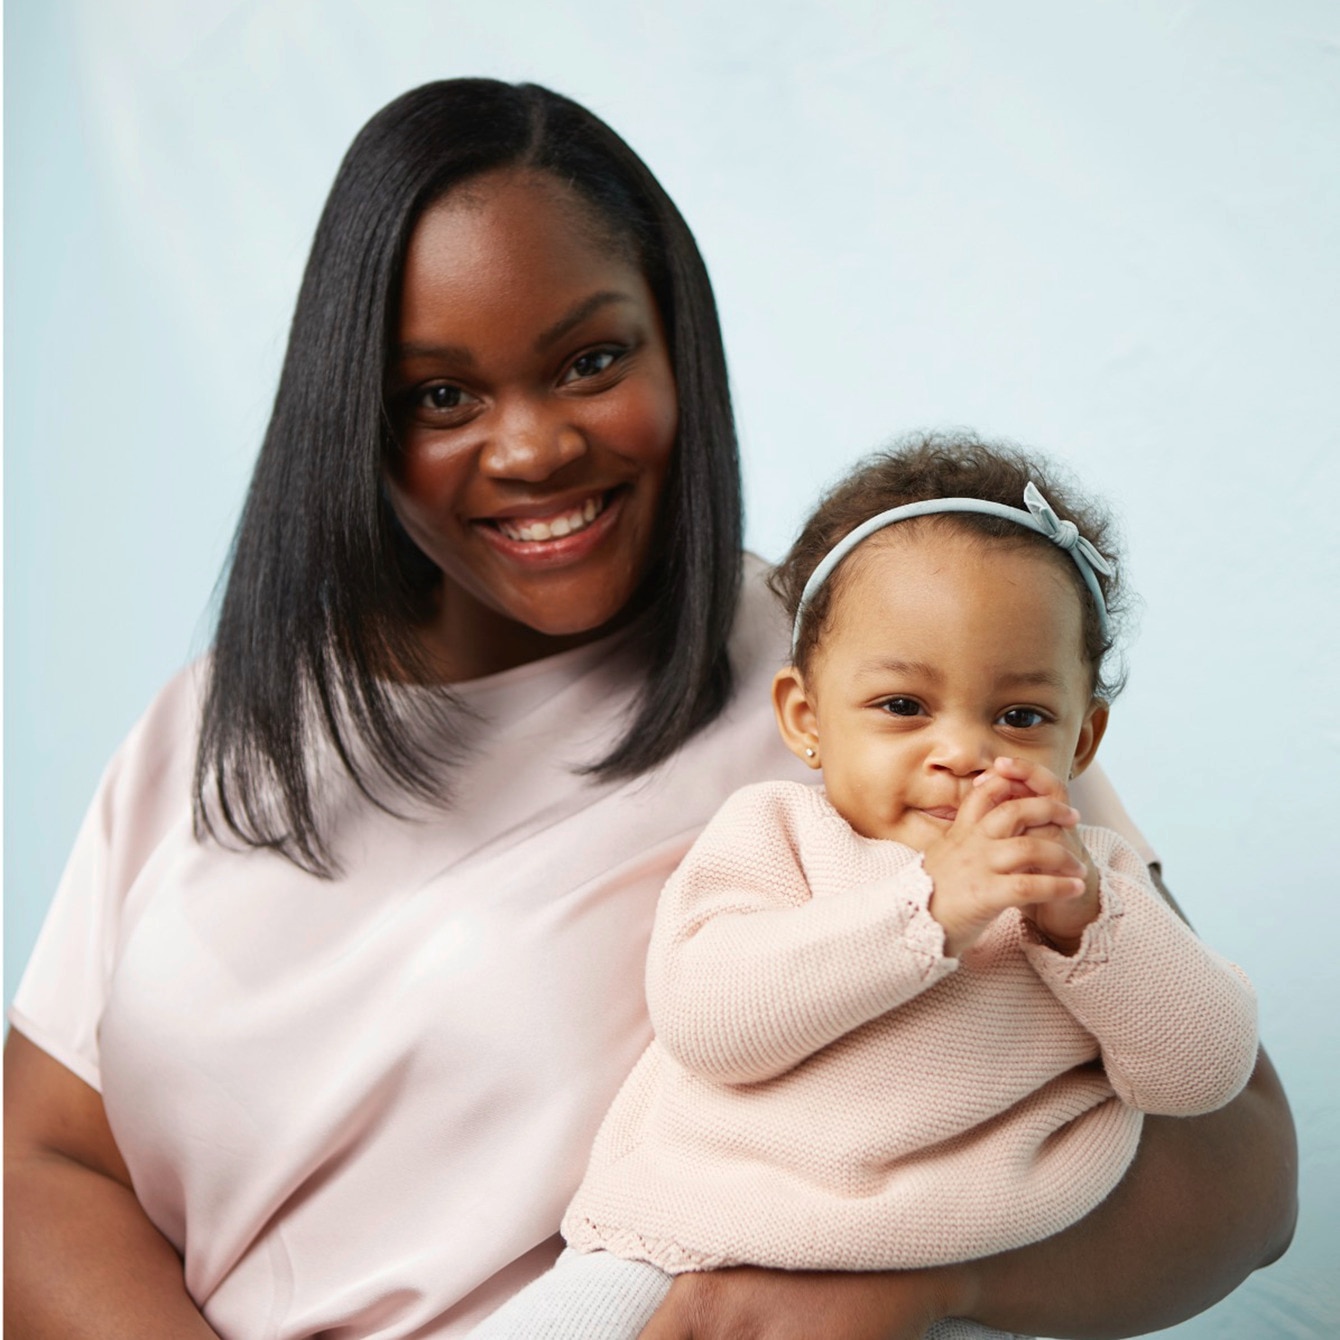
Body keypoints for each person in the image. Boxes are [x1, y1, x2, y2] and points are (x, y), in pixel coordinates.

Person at [3, 79, 1296, 1340]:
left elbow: (1241, 1169)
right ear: (357, 415)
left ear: (679, 345)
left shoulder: (874, 686)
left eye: (592, 359)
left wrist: (888, 1289)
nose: (532, 449)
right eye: (442, 396)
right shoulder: (222, 713)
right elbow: (44, 1163)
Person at [466, 437, 1261, 1340]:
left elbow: (1203, 1072)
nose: (963, 752)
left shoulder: (1085, 878)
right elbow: (710, 1022)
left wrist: (1084, 922)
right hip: (677, 1243)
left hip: (935, 1282)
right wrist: (930, 909)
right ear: (807, 719)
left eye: (1020, 716)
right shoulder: (777, 836)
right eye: (903, 707)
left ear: (1081, 742)